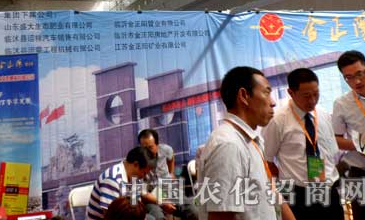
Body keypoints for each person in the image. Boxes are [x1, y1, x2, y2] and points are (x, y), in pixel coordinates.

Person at [198, 66, 295, 220]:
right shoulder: (228, 145)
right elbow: (221, 215)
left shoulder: (251, 140)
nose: (273, 102)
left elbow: (272, 192)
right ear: (244, 96)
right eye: (266, 93)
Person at [262, 68, 343, 218]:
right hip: (299, 194)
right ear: (291, 93)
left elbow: (331, 152)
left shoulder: (323, 113)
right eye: (306, 96)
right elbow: (267, 160)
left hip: (329, 191)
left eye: (316, 94)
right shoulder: (278, 121)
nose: (312, 100)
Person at [332, 50, 365, 220]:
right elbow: (336, 139)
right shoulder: (341, 104)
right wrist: (362, 144)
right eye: (349, 77)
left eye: (360, 74)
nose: (357, 81)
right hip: (358, 172)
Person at [138, 129, 198, 220]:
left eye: (150, 147)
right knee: (158, 217)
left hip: (167, 190)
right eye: (144, 148)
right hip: (151, 197)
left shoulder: (165, 150)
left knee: (193, 210)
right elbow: (143, 193)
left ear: (157, 145)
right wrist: (161, 202)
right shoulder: (137, 161)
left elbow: (171, 156)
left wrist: (171, 173)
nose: (146, 151)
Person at [86, 146, 156, 220]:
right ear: (136, 164)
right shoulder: (112, 179)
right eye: (144, 173)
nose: (144, 177)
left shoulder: (135, 178)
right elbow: (111, 216)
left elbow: (136, 208)